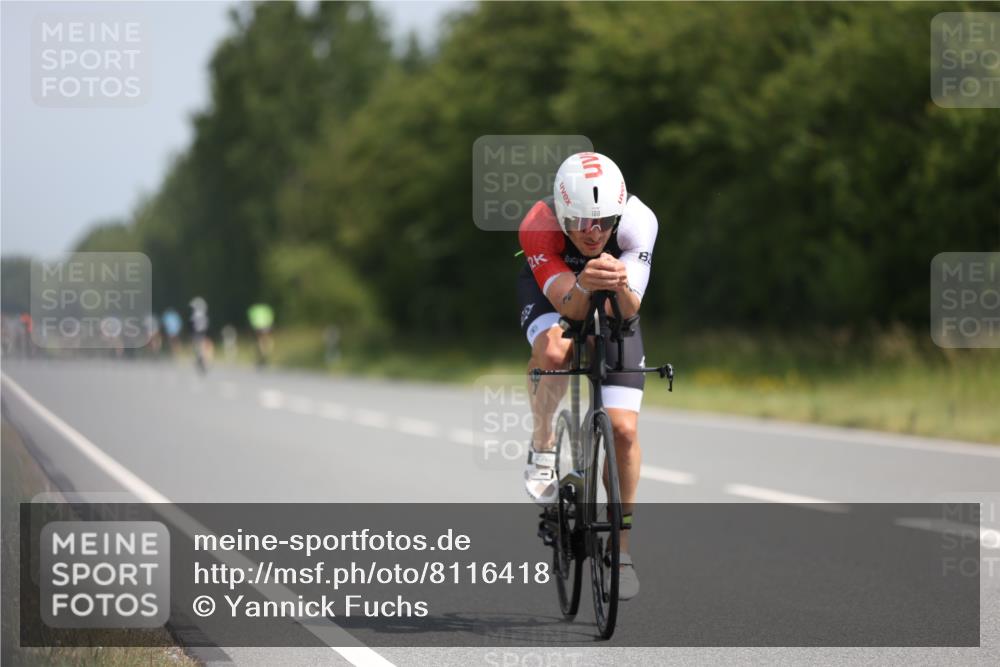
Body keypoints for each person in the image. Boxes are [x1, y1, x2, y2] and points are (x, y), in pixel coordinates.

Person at [517, 151, 657, 601]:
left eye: (603, 222)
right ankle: (542, 445)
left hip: (613, 296)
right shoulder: (539, 225)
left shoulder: (637, 224)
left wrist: (618, 285)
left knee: (622, 429)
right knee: (556, 350)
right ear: (562, 215)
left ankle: (622, 550)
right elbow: (570, 309)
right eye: (578, 222)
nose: (593, 233)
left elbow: (629, 312)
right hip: (556, 292)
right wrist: (584, 285)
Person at [246, 303, 275, 368]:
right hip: (267, 327)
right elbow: (271, 318)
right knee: (266, 340)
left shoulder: (254, 310)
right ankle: (266, 352)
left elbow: (251, 319)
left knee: (258, 341)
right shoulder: (267, 309)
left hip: (258, 327)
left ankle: (261, 353)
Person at [189, 297, 210, 373]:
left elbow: (192, 326)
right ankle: (203, 362)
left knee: (197, 349)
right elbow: (206, 327)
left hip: (197, 334)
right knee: (202, 349)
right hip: (202, 334)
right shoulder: (204, 316)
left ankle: (200, 360)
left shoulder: (195, 315)